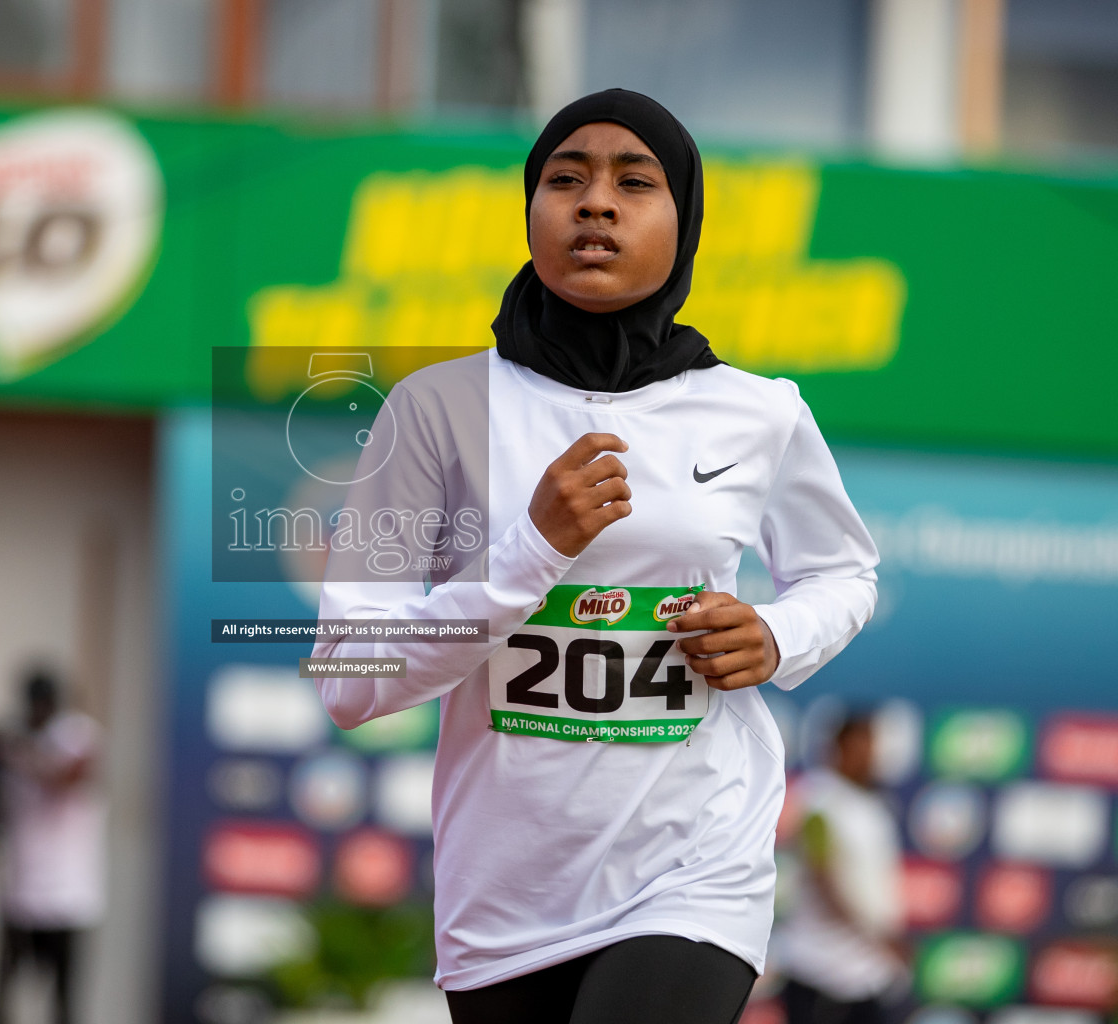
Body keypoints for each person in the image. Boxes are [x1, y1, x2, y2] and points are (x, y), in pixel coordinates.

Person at [310, 89, 879, 1024]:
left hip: (693, 866)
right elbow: (348, 675)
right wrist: (530, 552)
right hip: (507, 904)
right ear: (529, 210)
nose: (596, 203)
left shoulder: (760, 412)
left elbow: (843, 574)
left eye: (635, 181)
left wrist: (776, 635)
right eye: (565, 179)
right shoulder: (435, 409)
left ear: (684, 220)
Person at [0, 669, 105, 1024]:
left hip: (67, 898)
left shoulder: (74, 735)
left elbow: (65, 778)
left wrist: (14, 753)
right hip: (18, 895)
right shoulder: (12, 745)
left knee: (63, 1005)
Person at [775, 712, 906, 1024]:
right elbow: (824, 879)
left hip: (867, 972)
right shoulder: (818, 801)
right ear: (839, 747)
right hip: (820, 972)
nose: (870, 756)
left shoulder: (871, 804)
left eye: (873, 746)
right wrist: (879, 937)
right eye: (861, 746)